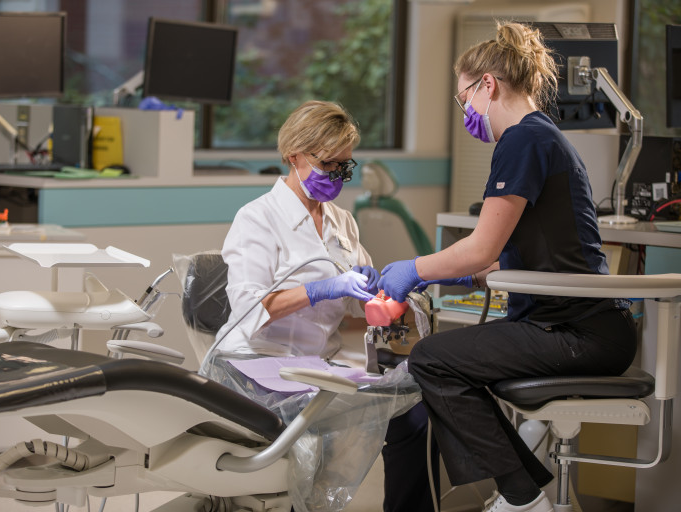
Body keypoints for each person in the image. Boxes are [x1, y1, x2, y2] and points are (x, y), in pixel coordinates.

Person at [377, 22, 637, 512]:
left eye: (463, 101)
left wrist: (415, 268)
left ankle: (522, 500)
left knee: (433, 359)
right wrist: (454, 274)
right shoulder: (542, 138)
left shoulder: (522, 141)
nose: (467, 114)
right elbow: (508, 256)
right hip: (580, 326)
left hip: (579, 333)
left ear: (487, 85)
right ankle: (522, 491)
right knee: (451, 357)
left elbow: (478, 248)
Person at [204, 100, 439, 512]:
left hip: (313, 367)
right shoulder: (257, 219)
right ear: (295, 155)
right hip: (253, 366)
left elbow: (356, 305)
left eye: (345, 167)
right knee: (309, 448)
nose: (338, 176)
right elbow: (249, 307)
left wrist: (382, 289)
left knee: (414, 411)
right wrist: (322, 289)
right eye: (330, 165)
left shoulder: (342, 222)